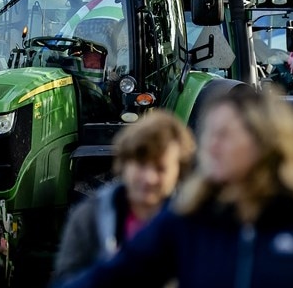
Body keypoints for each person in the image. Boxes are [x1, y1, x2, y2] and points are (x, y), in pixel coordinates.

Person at [60, 84, 293, 288]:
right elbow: (109, 278)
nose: (211, 145)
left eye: (225, 134)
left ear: (264, 142)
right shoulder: (187, 221)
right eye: (209, 134)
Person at [51, 110, 195, 287]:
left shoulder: (193, 223)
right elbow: (67, 279)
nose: (149, 178)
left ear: (178, 171)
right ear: (125, 163)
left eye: (160, 168)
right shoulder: (90, 218)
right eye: (141, 165)